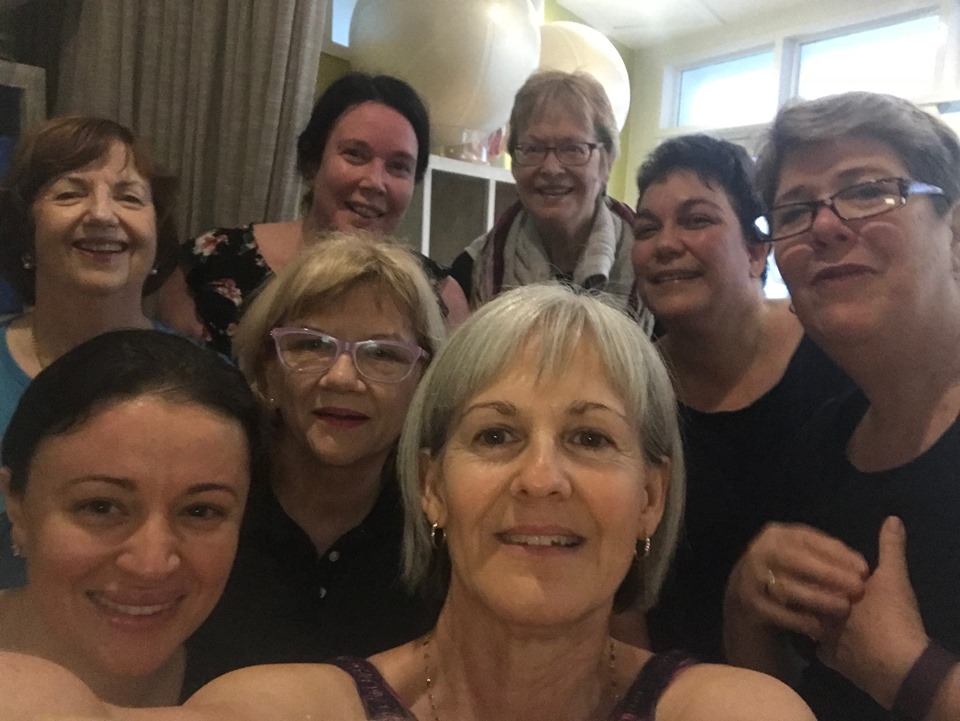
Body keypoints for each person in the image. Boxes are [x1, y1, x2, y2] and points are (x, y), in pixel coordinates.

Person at [0, 283, 815, 721]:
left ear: (652, 497)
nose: (541, 478)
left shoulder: (732, 710)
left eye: (590, 438)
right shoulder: (297, 707)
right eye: (496, 435)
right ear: (431, 485)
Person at [723, 92, 960, 721]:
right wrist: (745, 607)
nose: (824, 226)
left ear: (956, 233)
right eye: (795, 211)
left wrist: (908, 672)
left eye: (868, 191)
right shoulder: (819, 448)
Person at [181, 231, 446, 693]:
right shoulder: (200, 508)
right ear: (267, 371)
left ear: (422, 384)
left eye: (382, 354)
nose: (342, 378)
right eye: (312, 345)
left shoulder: (448, 537)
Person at [629, 134, 852, 661]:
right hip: (676, 683)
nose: (665, 244)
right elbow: (621, 579)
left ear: (756, 250)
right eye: (647, 229)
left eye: (696, 220)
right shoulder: (630, 391)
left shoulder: (837, 358)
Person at [0, 329, 264, 707]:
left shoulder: (271, 682)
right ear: (16, 504)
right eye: (101, 507)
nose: (151, 565)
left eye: (200, 511)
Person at [157, 72, 467, 355]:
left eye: (399, 166)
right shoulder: (209, 265)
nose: (375, 182)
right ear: (312, 162)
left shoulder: (439, 299)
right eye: (354, 155)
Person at [0, 114, 180, 588]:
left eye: (129, 197)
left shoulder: (206, 383)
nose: (102, 214)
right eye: (69, 193)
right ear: (25, 232)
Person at [450, 71, 646, 323]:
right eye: (533, 149)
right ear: (514, 163)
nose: (551, 168)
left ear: (606, 161)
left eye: (573, 149)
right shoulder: (472, 271)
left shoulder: (651, 269)